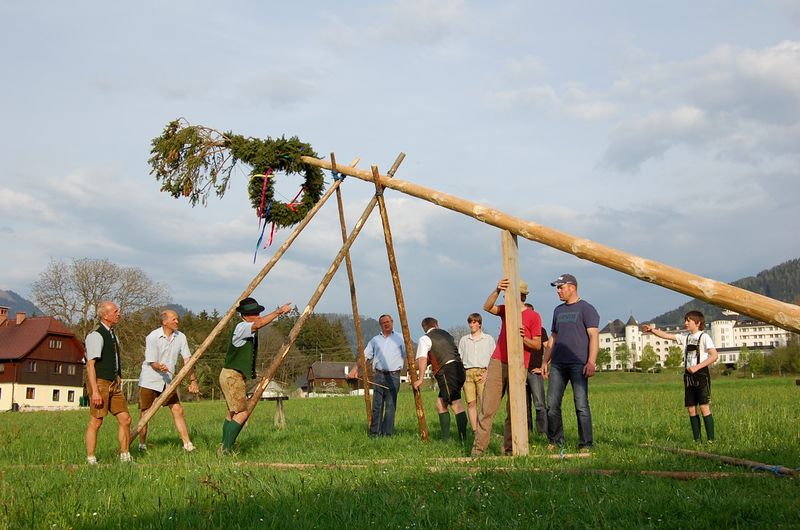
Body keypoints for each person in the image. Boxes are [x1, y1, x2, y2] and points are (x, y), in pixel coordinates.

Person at [471, 279, 542, 457]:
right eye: (505, 294)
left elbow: (537, 345)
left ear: (522, 295)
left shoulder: (534, 316)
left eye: (508, 293)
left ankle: (509, 450)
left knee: (514, 410)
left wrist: (524, 338)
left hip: (519, 365)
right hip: (498, 361)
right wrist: (496, 289)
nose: (505, 296)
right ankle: (478, 450)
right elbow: (487, 307)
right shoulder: (506, 310)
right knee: (487, 408)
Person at [219, 296, 292, 453]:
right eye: (255, 313)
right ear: (245, 315)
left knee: (232, 413)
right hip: (232, 376)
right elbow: (259, 324)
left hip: (232, 375)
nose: (258, 316)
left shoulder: (246, 328)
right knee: (242, 413)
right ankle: (225, 449)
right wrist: (279, 312)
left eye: (259, 312)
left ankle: (224, 445)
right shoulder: (242, 327)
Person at [543, 273, 599, 452]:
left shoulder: (586, 308)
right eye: (557, 288)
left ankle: (585, 444)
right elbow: (554, 337)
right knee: (552, 404)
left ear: (572, 287)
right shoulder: (558, 311)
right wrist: (545, 361)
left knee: (581, 404)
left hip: (578, 363)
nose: (558, 291)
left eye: (561, 287)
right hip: (558, 364)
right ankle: (555, 440)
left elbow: (593, 336)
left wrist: (591, 362)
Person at [642, 311, 718, 443]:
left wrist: (697, 367)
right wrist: (652, 330)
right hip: (688, 376)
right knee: (691, 408)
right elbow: (666, 336)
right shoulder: (685, 337)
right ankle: (697, 440)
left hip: (701, 375)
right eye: (686, 320)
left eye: (689, 321)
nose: (686, 323)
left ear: (698, 323)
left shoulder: (704, 337)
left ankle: (711, 440)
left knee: (704, 407)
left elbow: (714, 356)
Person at [137, 309, 200, 453]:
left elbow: (187, 360)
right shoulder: (152, 337)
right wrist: (158, 366)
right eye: (174, 319)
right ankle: (142, 444)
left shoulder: (181, 337)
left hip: (168, 382)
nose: (177, 322)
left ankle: (187, 445)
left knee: (178, 409)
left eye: (177, 319)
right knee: (145, 413)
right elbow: (151, 362)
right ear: (165, 322)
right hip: (149, 380)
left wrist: (193, 380)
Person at [84, 301, 133, 464]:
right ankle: (91, 458)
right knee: (96, 421)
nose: (119, 313)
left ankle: (125, 455)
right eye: (115, 311)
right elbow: (90, 365)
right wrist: (95, 391)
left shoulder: (113, 334)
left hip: (114, 383)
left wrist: (118, 378)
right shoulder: (96, 335)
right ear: (105, 315)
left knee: (125, 418)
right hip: (100, 383)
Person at [413, 317, 468, 442]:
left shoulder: (425, 338)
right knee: (440, 404)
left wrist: (420, 378)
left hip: (447, 372)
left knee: (456, 405)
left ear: (424, 328)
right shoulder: (446, 334)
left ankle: (463, 440)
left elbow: (422, 359)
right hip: (459, 369)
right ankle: (445, 439)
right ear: (436, 325)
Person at [364, 314, 406, 436]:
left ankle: (387, 434)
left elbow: (407, 355)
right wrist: (355, 369)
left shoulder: (401, 338)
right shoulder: (375, 340)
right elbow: (365, 356)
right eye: (383, 322)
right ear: (380, 325)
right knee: (377, 406)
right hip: (378, 376)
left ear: (392, 322)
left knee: (390, 406)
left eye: (388, 322)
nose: (386, 324)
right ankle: (374, 434)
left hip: (394, 376)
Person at [457, 313, 496, 433]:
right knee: (471, 403)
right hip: (468, 373)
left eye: (474, 322)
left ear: (479, 324)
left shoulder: (488, 339)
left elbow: (493, 358)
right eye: (470, 322)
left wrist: (487, 373)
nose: (471, 325)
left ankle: (484, 429)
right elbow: (460, 358)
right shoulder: (464, 340)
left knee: (484, 403)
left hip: (482, 372)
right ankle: (474, 430)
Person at [524, 301, 549, 436]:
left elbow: (549, 347)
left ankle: (542, 433)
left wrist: (543, 366)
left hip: (534, 370)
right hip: (521, 371)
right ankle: (526, 431)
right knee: (523, 405)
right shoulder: (518, 330)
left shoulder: (541, 330)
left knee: (539, 403)